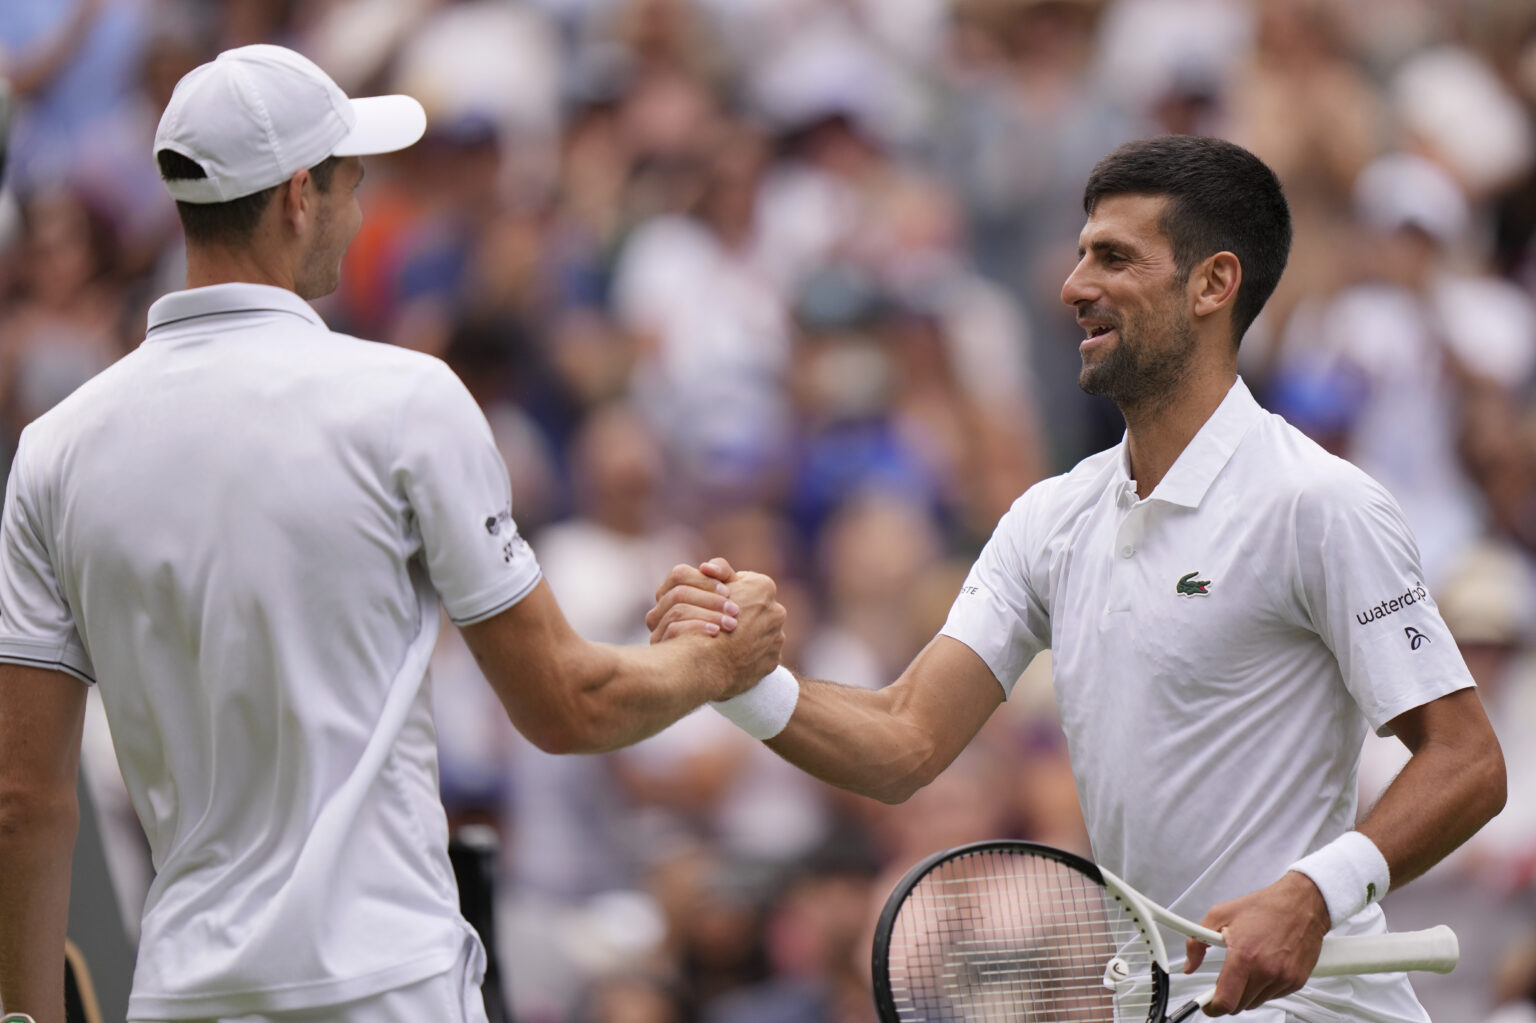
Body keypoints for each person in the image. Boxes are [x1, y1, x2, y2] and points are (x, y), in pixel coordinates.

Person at [0, 44, 784, 1023]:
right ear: (296, 198)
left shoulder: (52, 452)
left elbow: (22, 804)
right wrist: (717, 664)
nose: (362, 205)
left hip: (183, 994)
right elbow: (565, 704)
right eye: (350, 181)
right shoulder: (407, 400)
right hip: (388, 989)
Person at [650, 135, 1507, 1021]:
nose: (1072, 285)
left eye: (1114, 257)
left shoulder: (1318, 503)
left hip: (1319, 1006)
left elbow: (1469, 760)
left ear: (1213, 285)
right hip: (1162, 1004)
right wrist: (740, 678)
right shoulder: (1046, 519)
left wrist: (1314, 893)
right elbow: (904, 740)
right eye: (1079, 253)